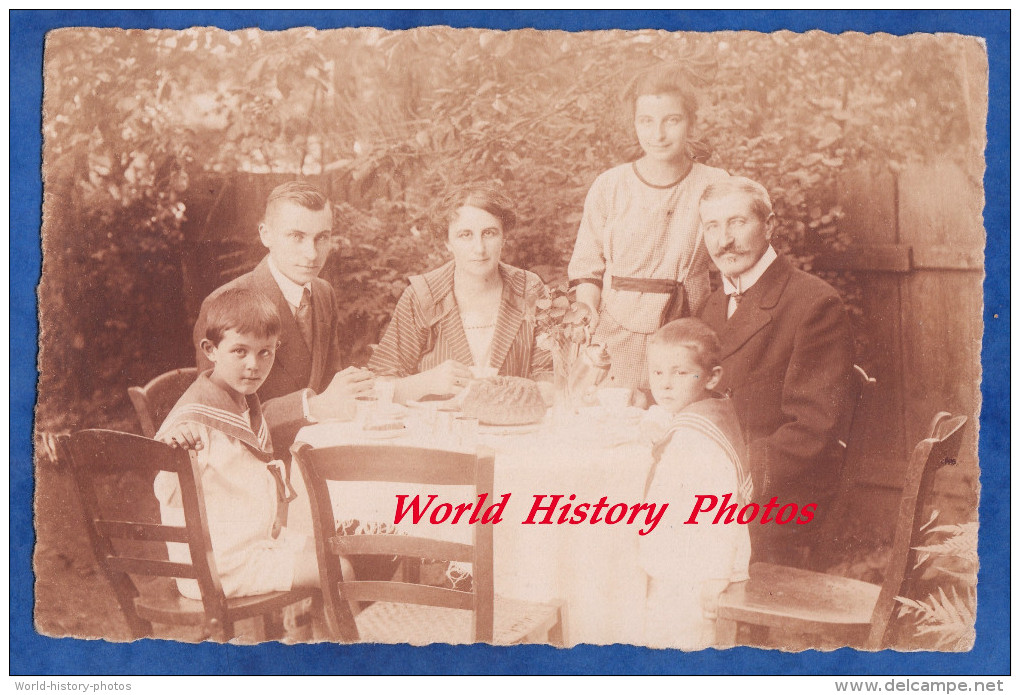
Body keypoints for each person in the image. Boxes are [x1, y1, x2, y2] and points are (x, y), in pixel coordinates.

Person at [697, 177, 855, 566]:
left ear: (769, 226)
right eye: (712, 227)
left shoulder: (813, 303)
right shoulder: (712, 306)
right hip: (722, 485)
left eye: (737, 223)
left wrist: (730, 477)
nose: (723, 241)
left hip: (776, 498)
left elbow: (814, 427)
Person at [166, 180, 373, 453]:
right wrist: (312, 406)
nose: (311, 254)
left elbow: (327, 384)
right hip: (258, 463)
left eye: (321, 237)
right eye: (296, 236)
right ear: (266, 235)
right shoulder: (222, 304)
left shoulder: (323, 293)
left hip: (318, 448)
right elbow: (224, 420)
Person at [153, 288, 323, 600]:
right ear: (210, 349)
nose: (253, 365)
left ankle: (305, 638)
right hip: (218, 565)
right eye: (240, 351)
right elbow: (167, 490)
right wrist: (172, 447)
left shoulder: (241, 402)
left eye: (265, 352)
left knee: (331, 546)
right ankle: (339, 648)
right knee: (338, 569)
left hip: (252, 544)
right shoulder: (194, 417)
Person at [568, 64, 729, 390]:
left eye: (671, 120)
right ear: (635, 124)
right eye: (646, 121)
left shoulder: (715, 184)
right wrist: (586, 318)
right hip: (611, 334)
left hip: (685, 336)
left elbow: (736, 264)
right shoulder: (610, 185)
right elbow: (587, 270)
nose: (658, 134)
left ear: (691, 122)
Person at [368, 183, 552, 403]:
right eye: (465, 235)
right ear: (447, 242)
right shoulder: (423, 295)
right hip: (439, 432)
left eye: (489, 233)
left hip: (512, 427)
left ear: (504, 236)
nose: (479, 248)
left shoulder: (529, 289)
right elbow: (378, 384)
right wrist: (426, 382)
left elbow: (549, 375)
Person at [638, 318, 751, 650]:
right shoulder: (707, 411)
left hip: (697, 572)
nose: (666, 385)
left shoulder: (700, 439)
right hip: (677, 564)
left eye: (680, 373)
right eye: (657, 373)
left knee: (683, 646)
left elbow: (721, 512)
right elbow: (667, 416)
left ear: (712, 376)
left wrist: (716, 579)